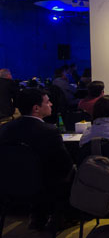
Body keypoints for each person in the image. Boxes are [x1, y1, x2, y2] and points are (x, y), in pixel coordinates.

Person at [0, 88, 74, 230]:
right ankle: (62, 217)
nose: (51, 104)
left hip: (8, 184)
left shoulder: (5, 129)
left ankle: (38, 217)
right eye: (47, 102)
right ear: (36, 108)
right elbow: (65, 164)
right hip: (42, 187)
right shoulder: (49, 131)